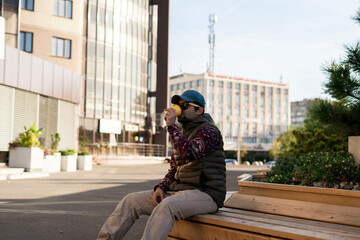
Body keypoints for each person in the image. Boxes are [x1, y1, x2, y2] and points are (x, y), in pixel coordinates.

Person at [97, 90, 226, 240]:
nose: (179, 108)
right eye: (177, 105)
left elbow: (190, 153)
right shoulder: (181, 133)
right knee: (130, 201)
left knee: (167, 206)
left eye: (184, 105)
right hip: (180, 192)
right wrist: (161, 187)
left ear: (199, 110)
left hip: (207, 194)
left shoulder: (210, 131)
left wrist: (172, 126)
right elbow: (174, 168)